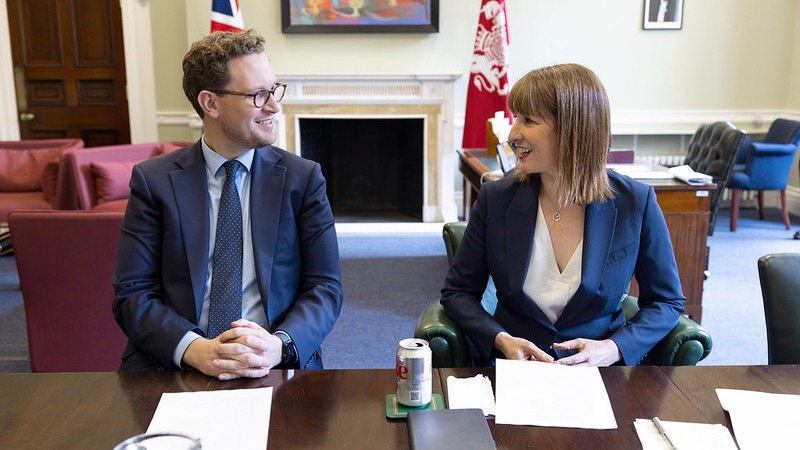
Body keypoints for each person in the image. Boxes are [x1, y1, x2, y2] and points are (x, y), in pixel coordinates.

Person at [112, 29, 343, 379]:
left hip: (274, 362)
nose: (274, 105)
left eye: (274, 89)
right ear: (211, 104)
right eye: (258, 95)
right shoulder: (154, 181)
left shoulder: (303, 179)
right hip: (176, 363)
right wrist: (194, 349)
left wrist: (278, 345)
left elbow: (325, 287)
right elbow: (132, 293)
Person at [441, 63, 685, 367]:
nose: (513, 134)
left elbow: (666, 301)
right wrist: (500, 339)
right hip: (515, 369)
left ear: (572, 129)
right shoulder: (496, 199)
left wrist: (613, 348)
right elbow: (458, 293)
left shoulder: (635, 202)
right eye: (516, 118)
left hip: (600, 373)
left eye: (528, 120)